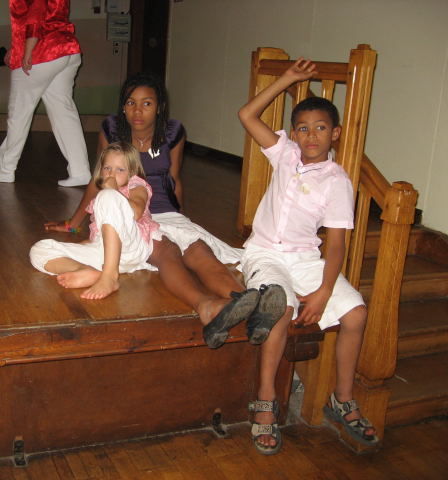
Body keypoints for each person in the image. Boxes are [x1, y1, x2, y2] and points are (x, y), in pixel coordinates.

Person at [45, 72, 286, 348]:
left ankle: (248, 303)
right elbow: (98, 179)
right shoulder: (111, 130)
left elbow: (174, 179)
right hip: (131, 214)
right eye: (131, 103)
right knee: (167, 251)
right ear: (123, 106)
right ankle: (207, 305)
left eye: (146, 103)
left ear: (159, 107)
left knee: (198, 250)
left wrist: (182, 218)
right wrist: (74, 222)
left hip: (165, 210)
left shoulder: (173, 132)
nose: (138, 111)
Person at [238, 58, 378, 454]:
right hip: (265, 253)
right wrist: (286, 79)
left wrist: (323, 291)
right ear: (293, 133)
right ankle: (266, 400)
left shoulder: (337, 182)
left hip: (305, 260)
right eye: (302, 128)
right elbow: (247, 115)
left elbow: (335, 244)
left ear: (335, 134)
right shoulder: (283, 154)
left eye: (320, 128)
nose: (311, 136)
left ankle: (342, 398)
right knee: (280, 307)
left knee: (356, 312)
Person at [0, 0, 91, 187]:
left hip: (42, 53)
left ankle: (5, 170)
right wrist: (17, 48)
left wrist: (27, 50)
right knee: (64, 112)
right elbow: (49, 18)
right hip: (67, 49)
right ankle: (80, 171)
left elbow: (35, 16)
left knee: (19, 113)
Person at [30, 142, 160, 299]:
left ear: (132, 172)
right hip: (105, 255)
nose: (111, 174)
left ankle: (110, 278)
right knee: (39, 249)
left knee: (107, 196)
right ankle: (84, 270)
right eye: (107, 168)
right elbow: (99, 237)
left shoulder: (136, 186)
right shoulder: (103, 194)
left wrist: (113, 190)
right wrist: (76, 249)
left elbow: (137, 212)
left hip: (131, 248)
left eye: (120, 169)